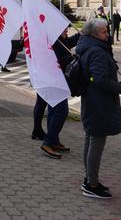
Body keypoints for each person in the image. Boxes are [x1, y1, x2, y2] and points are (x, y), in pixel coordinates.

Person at [76, 18, 121, 199]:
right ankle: (91, 184)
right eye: (104, 32)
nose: (108, 35)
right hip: (99, 103)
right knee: (96, 142)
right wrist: (118, 87)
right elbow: (99, 79)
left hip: (92, 101)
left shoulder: (89, 46)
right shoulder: (96, 51)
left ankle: (90, 178)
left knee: (91, 138)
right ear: (95, 34)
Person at [40, 27, 81, 159]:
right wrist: (73, 58)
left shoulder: (62, 41)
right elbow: (58, 61)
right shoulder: (53, 43)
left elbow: (70, 41)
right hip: (53, 81)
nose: (66, 32)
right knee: (61, 111)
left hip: (57, 81)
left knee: (53, 111)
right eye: (64, 30)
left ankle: (53, 140)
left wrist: (82, 33)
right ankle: (48, 143)